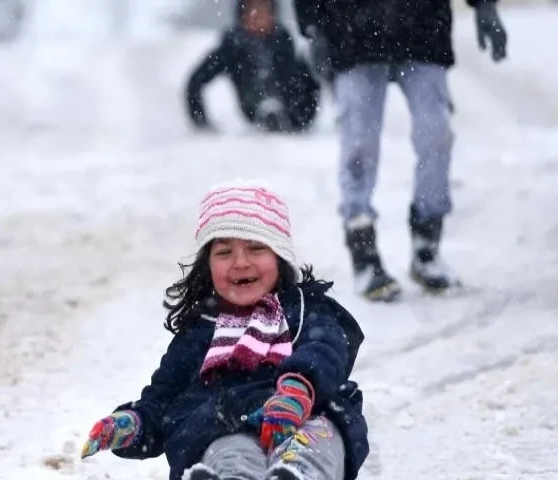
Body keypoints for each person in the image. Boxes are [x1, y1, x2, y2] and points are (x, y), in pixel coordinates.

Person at [79, 183, 370, 480]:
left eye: (255, 248)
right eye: (224, 252)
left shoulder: (306, 309)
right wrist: (131, 424)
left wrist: (298, 388)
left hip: (305, 417)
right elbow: (162, 400)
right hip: (228, 427)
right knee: (228, 458)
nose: (239, 262)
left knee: (308, 450)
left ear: (280, 256)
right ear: (206, 264)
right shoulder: (199, 333)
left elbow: (327, 348)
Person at [295, 0, 509, 301]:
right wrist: (313, 26)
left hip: (423, 26)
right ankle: (363, 250)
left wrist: (485, 6)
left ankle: (427, 246)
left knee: (436, 136)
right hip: (351, 30)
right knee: (359, 144)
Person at [185, 0, 322, 134]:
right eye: (253, 10)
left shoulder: (283, 39)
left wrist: (304, 115)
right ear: (242, 15)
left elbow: (305, 81)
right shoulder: (233, 45)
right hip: (252, 103)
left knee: (306, 68)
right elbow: (196, 80)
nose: (258, 16)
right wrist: (200, 121)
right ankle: (268, 110)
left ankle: (279, 112)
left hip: (291, 108)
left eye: (264, 10)